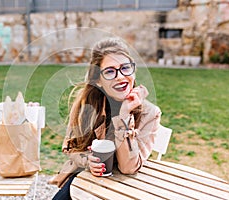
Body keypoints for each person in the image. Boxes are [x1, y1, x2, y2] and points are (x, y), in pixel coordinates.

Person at [49, 37, 162, 199]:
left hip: (125, 187)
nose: (120, 77)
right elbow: (71, 147)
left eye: (125, 68)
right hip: (87, 179)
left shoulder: (149, 113)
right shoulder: (87, 104)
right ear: (98, 80)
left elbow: (128, 168)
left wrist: (124, 115)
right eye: (110, 71)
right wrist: (88, 161)